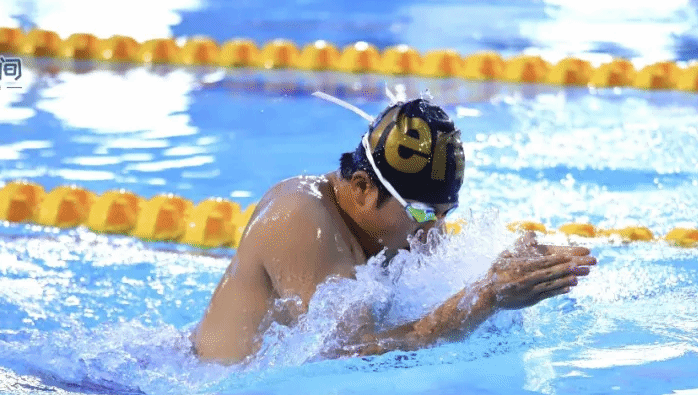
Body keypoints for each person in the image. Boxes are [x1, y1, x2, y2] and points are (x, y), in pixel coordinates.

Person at [191, 93, 596, 364]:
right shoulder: (298, 216)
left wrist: (516, 276)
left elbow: (439, 308)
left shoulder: (405, 226)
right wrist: (487, 297)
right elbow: (348, 357)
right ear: (363, 188)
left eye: (444, 214)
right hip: (209, 390)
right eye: (422, 214)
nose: (434, 231)